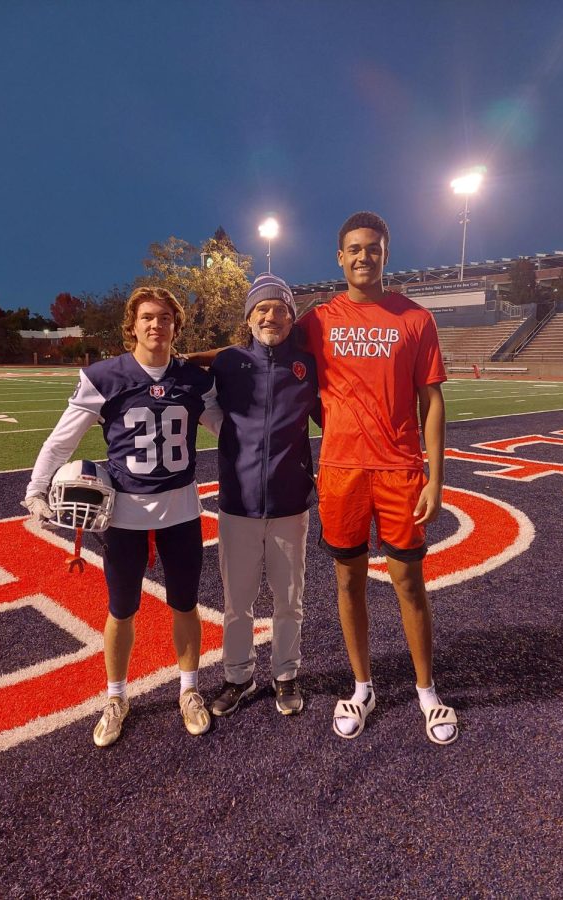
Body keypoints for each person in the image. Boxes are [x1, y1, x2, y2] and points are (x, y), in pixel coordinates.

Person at [22, 285, 223, 747]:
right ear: (131, 325)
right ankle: (116, 696)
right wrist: (36, 488)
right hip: (123, 514)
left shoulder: (193, 380)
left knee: (185, 603)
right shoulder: (105, 377)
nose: (157, 326)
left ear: (176, 325)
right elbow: (61, 441)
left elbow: (226, 428)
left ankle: (189, 689)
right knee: (121, 608)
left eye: (166, 318)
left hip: (181, 508)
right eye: (148, 318)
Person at [296, 211, 458, 744]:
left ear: (386, 254)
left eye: (373, 248)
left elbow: (431, 400)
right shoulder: (317, 320)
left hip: (399, 471)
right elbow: (264, 350)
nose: (363, 256)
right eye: (354, 249)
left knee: (409, 581)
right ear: (339, 257)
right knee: (349, 580)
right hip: (341, 470)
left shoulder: (415, 319)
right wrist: (181, 359)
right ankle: (362, 686)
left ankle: (427, 692)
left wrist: (435, 477)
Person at [208, 273, 319, 718]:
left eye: (280, 308)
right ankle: (238, 677)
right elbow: (203, 403)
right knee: (237, 603)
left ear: (292, 317)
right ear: (249, 317)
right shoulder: (228, 362)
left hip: (291, 503)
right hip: (237, 503)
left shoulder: (307, 365)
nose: (271, 315)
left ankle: (286, 674)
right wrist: (228, 435)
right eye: (262, 309)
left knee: (289, 599)